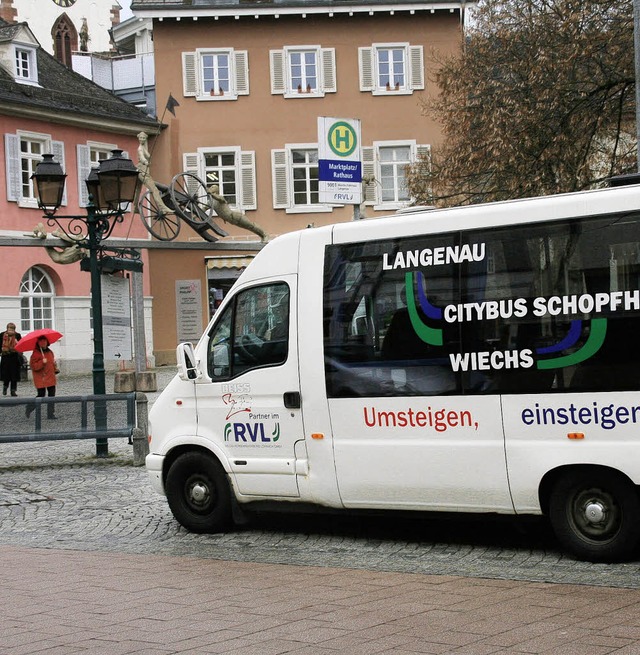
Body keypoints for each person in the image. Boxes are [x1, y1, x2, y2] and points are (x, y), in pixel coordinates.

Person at [26, 337, 58, 419]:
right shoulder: (35, 354)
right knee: (41, 395)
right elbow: (34, 367)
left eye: (45, 341)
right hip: (41, 378)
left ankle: (51, 414)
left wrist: (55, 369)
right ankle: (30, 407)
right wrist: (42, 363)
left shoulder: (49, 352)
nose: (43, 343)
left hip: (50, 377)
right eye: (41, 342)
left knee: (51, 396)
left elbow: (52, 363)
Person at [0, 322, 22, 396]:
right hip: (5, 357)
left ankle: (13, 390)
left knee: (14, 375)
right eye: (9, 329)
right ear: (7, 329)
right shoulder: (2, 335)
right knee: (6, 374)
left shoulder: (17, 335)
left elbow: (21, 346)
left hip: (14, 357)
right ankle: (5, 387)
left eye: (12, 330)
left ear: (14, 330)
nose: (10, 331)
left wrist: (17, 342)